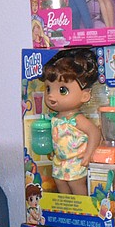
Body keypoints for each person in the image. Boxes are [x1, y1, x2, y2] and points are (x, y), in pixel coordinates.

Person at [43, 47, 101, 195]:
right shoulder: (55, 118)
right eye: (48, 89)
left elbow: (95, 132)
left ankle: (84, 214)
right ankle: (64, 214)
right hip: (59, 162)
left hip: (75, 162)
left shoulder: (76, 119)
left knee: (76, 187)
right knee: (61, 185)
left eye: (62, 90)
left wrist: (89, 154)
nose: (51, 96)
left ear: (85, 96)